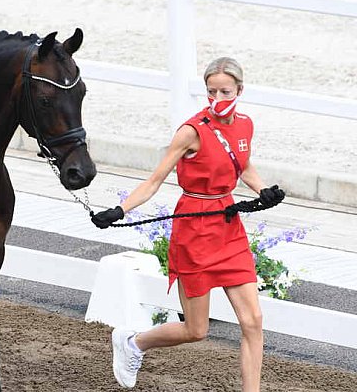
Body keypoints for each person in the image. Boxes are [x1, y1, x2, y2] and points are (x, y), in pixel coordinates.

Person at [91, 57, 285, 391]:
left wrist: (262, 189)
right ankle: (133, 343)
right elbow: (154, 181)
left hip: (229, 228)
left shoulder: (245, 126)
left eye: (225, 91)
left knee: (253, 321)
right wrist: (119, 211)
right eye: (212, 91)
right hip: (194, 231)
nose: (218, 98)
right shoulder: (190, 131)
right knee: (196, 330)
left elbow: (242, 164)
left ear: (240, 90)